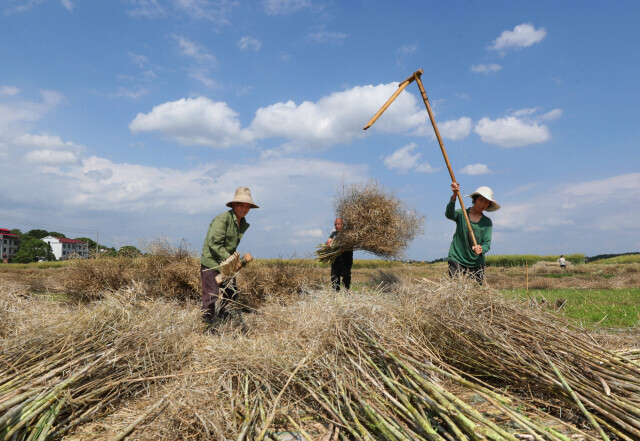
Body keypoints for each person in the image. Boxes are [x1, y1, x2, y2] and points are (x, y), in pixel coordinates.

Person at [200, 187, 259, 327]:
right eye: (241, 205)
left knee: (231, 294)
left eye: (247, 206)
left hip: (227, 264)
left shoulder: (241, 223)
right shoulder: (222, 220)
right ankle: (207, 326)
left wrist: (232, 263)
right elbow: (215, 244)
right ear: (233, 205)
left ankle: (224, 320)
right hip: (212, 263)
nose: (244, 209)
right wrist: (232, 261)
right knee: (211, 295)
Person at [446, 183, 500, 284]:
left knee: (475, 292)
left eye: (486, 202)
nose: (483, 204)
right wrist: (454, 195)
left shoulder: (487, 222)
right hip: (457, 258)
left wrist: (481, 249)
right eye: (481, 200)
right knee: (456, 290)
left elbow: (487, 244)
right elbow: (449, 214)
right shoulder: (462, 214)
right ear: (475, 200)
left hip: (476, 262)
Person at [326, 218, 353, 291]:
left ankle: (346, 292)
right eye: (335, 224)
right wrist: (329, 244)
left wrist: (344, 249)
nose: (336, 226)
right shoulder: (334, 234)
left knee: (346, 276)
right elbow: (328, 243)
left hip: (346, 260)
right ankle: (336, 294)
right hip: (336, 260)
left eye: (338, 224)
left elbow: (350, 245)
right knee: (334, 277)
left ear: (342, 225)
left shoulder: (348, 234)